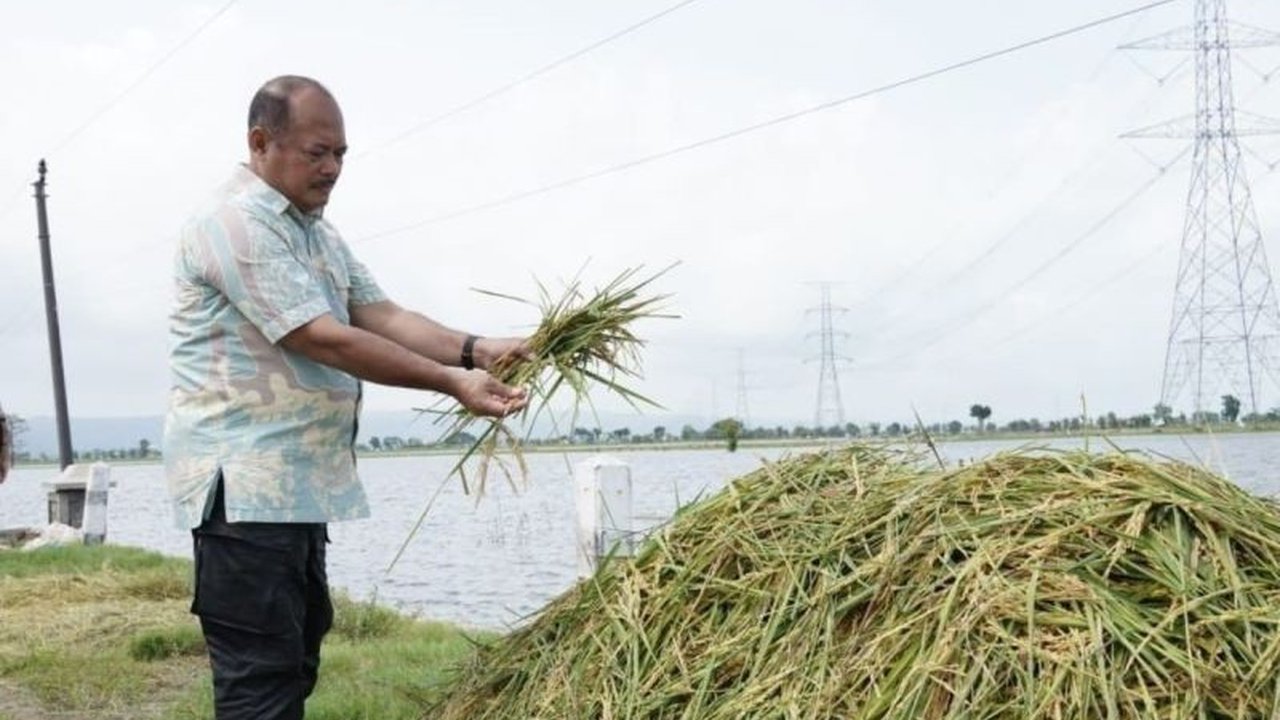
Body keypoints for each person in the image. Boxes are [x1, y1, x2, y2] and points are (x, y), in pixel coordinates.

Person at [163, 75, 528, 719]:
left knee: (295, 662)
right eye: (316, 152)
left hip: (297, 491)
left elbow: (380, 315)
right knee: (259, 683)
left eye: (340, 154)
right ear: (260, 142)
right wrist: (452, 382)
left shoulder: (317, 234)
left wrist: (475, 349)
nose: (331, 168)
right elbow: (325, 339)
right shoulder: (231, 225)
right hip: (244, 494)